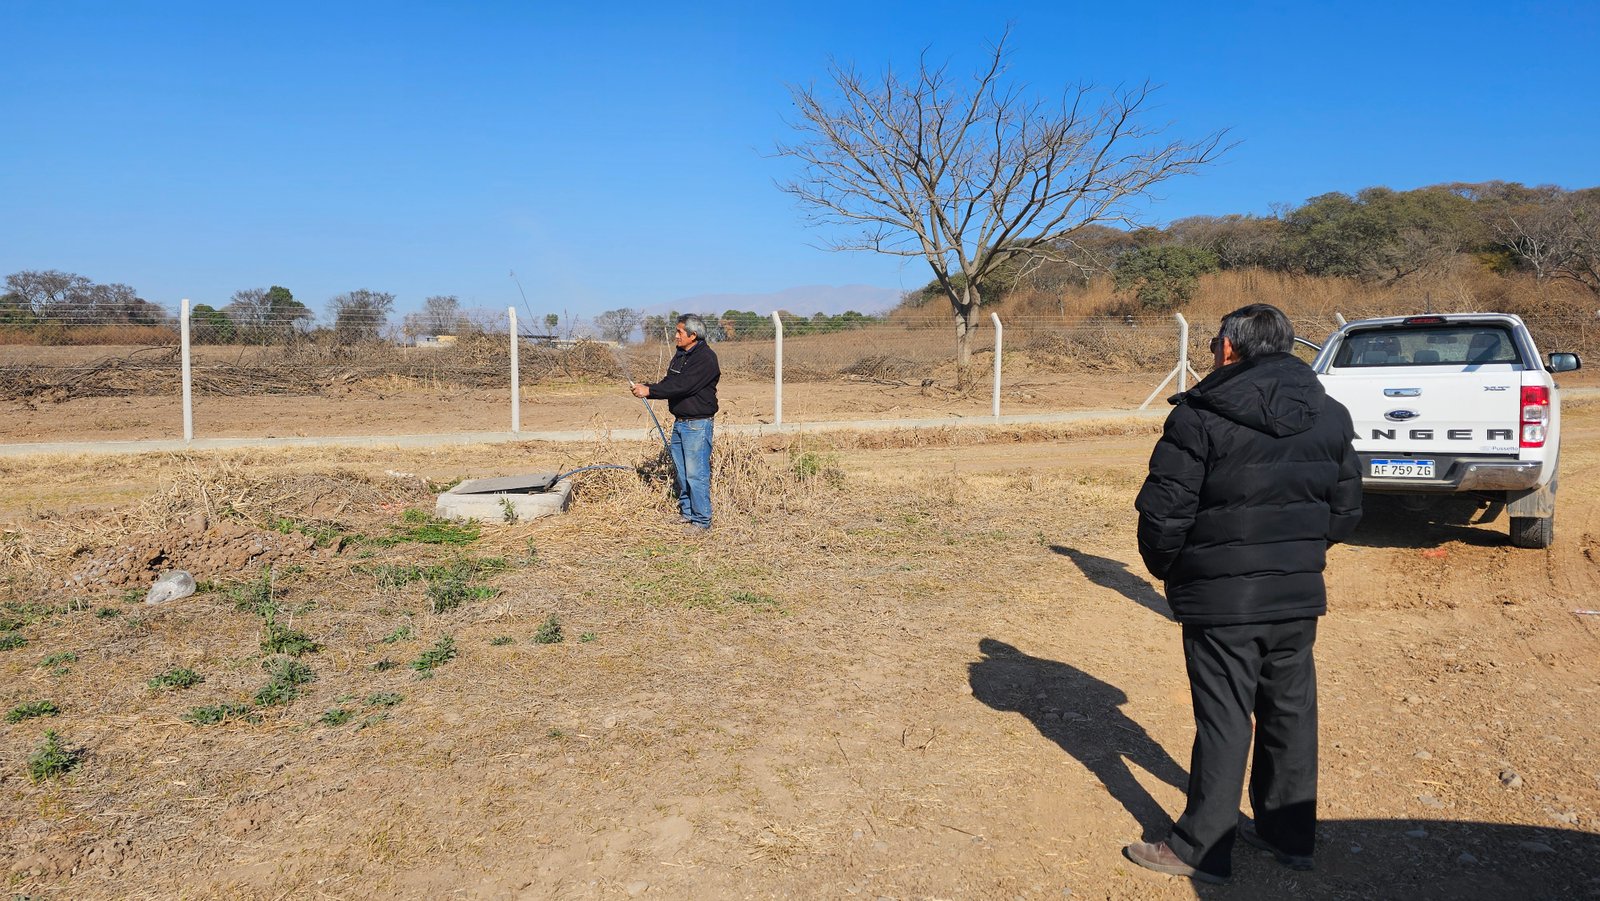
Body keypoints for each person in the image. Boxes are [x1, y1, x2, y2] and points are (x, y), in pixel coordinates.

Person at [1124, 303, 1362, 884]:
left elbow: (1163, 516)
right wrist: (1297, 557)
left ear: (1229, 348)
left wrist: (1170, 570)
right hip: (1296, 595)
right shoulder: (1330, 416)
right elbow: (1346, 512)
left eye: (1212, 343)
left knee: (1225, 716)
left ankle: (1201, 847)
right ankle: (1289, 835)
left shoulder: (1199, 415)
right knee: (1290, 710)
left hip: (1221, 601)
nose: (1209, 352)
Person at [632, 314, 720, 531]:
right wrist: (649, 388)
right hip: (680, 423)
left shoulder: (706, 358)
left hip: (697, 426)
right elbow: (670, 382)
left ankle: (702, 520)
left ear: (693, 335)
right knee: (681, 471)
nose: (676, 335)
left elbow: (684, 386)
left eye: (680, 332)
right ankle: (687, 513)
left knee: (695, 473)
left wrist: (650, 391)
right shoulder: (681, 355)